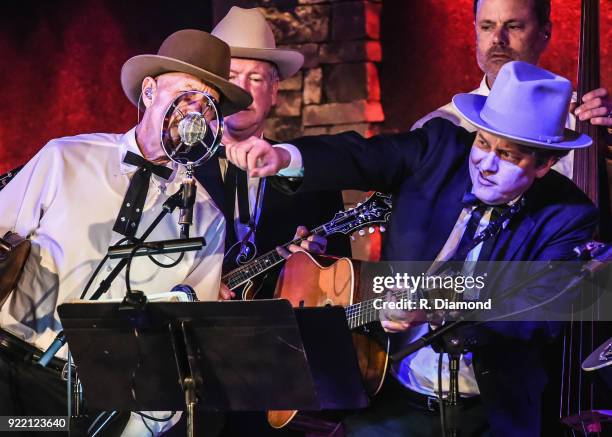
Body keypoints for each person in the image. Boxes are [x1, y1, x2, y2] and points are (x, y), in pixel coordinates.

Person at [223, 61, 598, 436]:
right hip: (390, 392)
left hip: (490, 410)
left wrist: (441, 306)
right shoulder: (438, 148)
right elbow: (362, 154)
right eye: (483, 143)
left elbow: (539, 313)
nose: (485, 164)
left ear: (545, 163)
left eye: (509, 156)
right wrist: (285, 157)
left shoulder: (569, 216)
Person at [0, 29, 251, 435]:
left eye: (209, 106)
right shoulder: (66, 158)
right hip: (12, 366)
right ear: (149, 91)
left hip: (98, 396)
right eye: (187, 93)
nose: (196, 113)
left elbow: (185, 335)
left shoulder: (206, 216)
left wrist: (146, 423)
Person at [197, 7, 351, 302]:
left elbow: (337, 283)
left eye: (255, 79)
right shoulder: (175, 167)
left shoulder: (311, 176)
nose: (241, 90)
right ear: (212, 87)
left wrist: (312, 265)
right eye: (231, 76)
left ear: (274, 90)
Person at [411, 0, 612, 179]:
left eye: (514, 26)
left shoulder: (585, 118)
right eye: (487, 26)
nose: (498, 38)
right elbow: (387, 210)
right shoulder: (435, 127)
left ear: (545, 33)